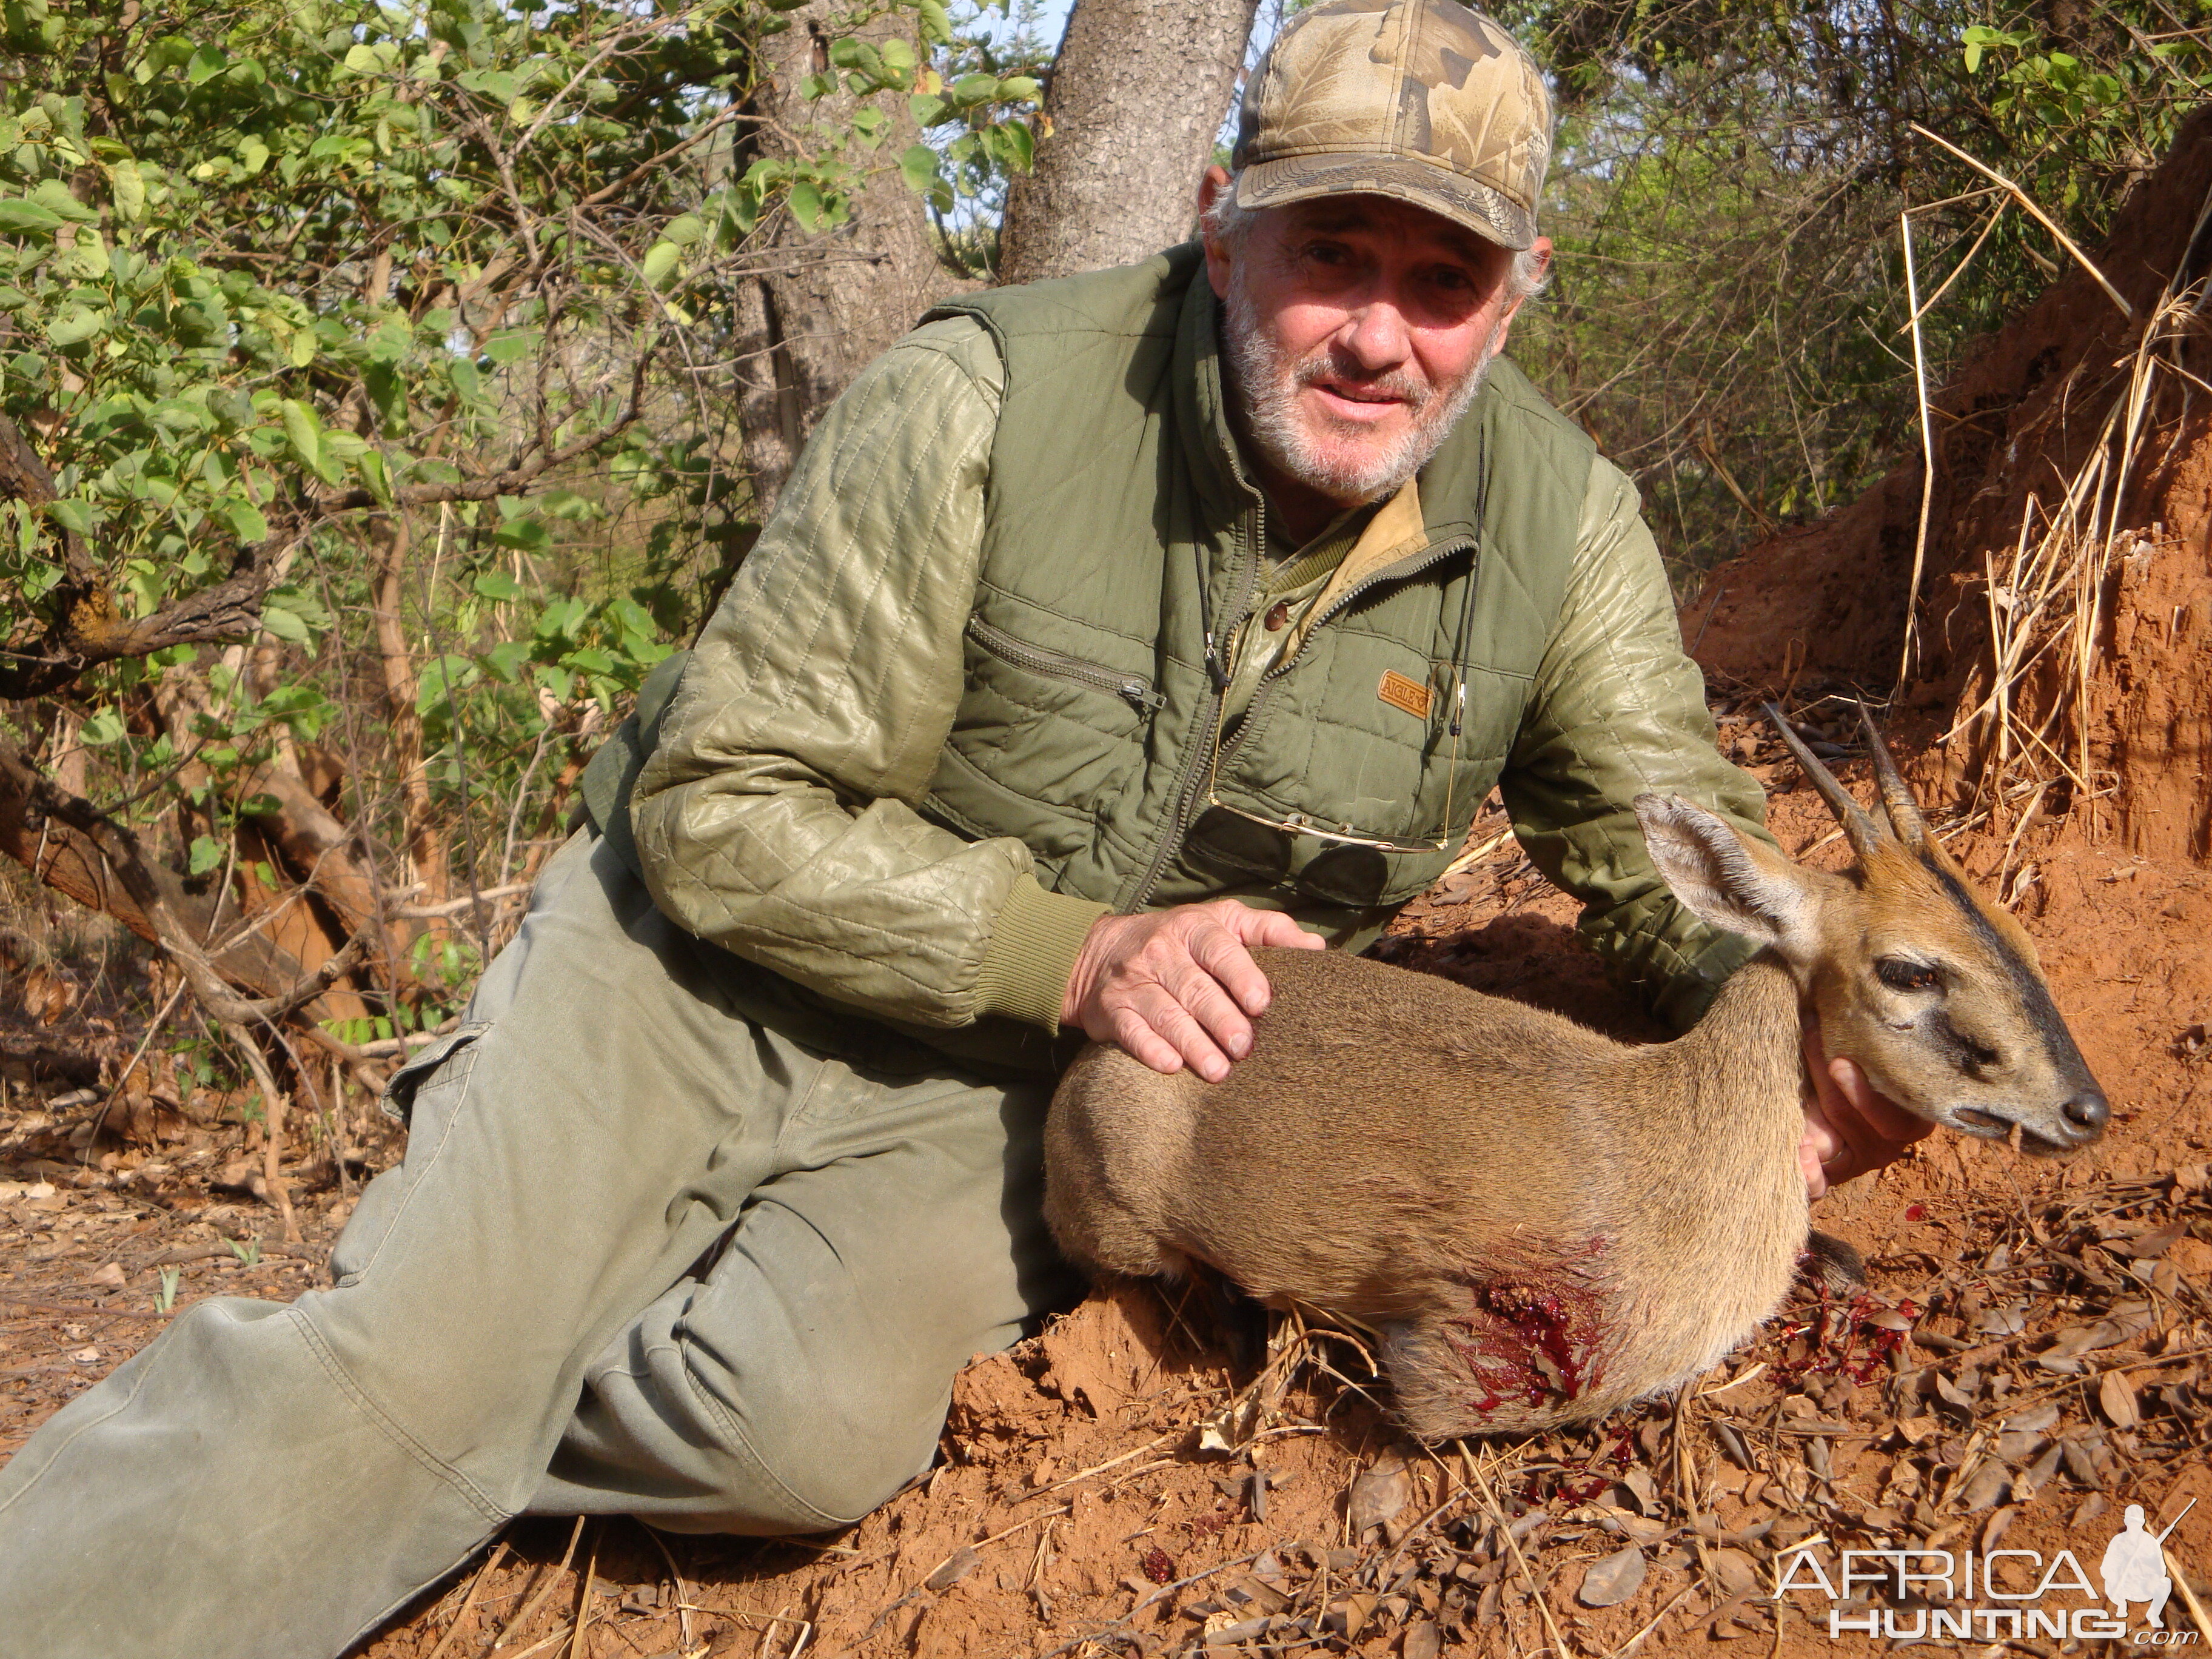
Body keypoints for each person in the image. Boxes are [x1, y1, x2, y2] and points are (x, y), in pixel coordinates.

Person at [0, 2, 1927, 1653]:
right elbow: (724, 810)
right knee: (404, 1399)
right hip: (703, 964)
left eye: (1444, 285)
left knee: (800, 1443)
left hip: (1008, 1082)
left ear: (1516, 302)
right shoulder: (986, 397)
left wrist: (1791, 1058)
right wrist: (1081, 951)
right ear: (1218, 226)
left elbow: (1670, 844)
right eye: (1333, 253)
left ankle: (509, 1374)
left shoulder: (1559, 532)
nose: (1379, 336)